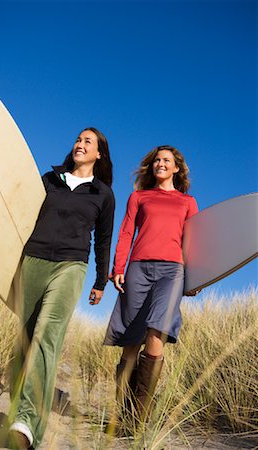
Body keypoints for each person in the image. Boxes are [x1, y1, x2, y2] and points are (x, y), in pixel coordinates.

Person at [6, 127, 115, 449]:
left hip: (71, 265)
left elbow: (104, 241)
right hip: (33, 261)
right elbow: (21, 219)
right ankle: (18, 412)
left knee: (46, 336)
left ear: (99, 154)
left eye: (88, 142)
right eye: (78, 139)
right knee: (26, 340)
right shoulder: (50, 180)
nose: (80, 144)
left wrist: (99, 281)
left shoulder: (103, 194)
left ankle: (26, 424)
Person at [104, 145, 199, 423]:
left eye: (166, 160)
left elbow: (193, 241)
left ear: (176, 168)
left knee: (157, 333)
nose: (160, 163)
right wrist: (118, 267)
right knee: (131, 340)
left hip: (173, 271)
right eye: (157, 160)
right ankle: (121, 413)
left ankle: (138, 418)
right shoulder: (138, 197)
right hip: (138, 268)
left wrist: (195, 276)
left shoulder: (187, 202)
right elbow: (126, 232)